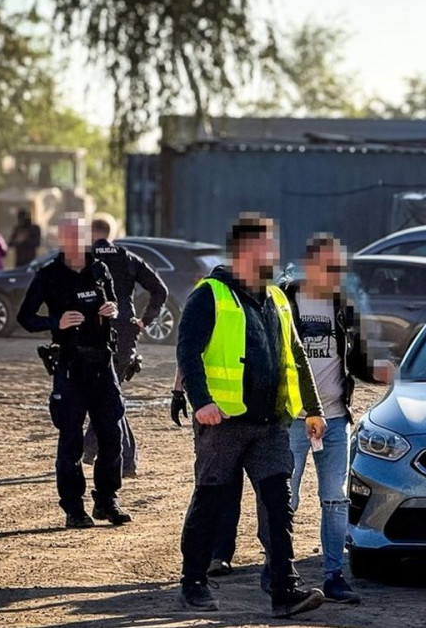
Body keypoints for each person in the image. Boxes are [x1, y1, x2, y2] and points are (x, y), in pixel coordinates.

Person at [199, 233, 373, 604]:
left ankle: (333, 575)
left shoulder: (343, 306)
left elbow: (356, 360)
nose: (336, 274)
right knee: (282, 498)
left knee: (335, 499)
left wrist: (387, 371)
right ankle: (277, 568)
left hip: (334, 420)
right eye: (329, 266)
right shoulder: (282, 299)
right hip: (291, 419)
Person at [173, 214, 327, 618]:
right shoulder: (209, 294)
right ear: (246, 249)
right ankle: (193, 583)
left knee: (278, 504)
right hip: (222, 423)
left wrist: (313, 409)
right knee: (210, 502)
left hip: (270, 424)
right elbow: (188, 351)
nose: (274, 253)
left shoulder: (276, 298)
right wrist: (201, 401)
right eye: (268, 245)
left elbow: (296, 355)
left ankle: (284, 590)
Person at [16, 216, 131, 529]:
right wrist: (56, 322)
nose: (73, 242)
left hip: (103, 363)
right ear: (60, 239)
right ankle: (73, 508)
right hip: (71, 365)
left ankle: (107, 501)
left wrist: (114, 310)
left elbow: (113, 302)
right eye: (67, 236)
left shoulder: (99, 269)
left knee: (111, 433)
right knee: (71, 440)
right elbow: (25, 317)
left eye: (78, 236)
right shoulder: (49, 275)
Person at [81, 218, 168, 477]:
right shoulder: (128, 258)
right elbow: (160, 291)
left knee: (107, 395)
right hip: (125, 333)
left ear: (91, 233)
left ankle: (116, 456)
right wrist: (144, 321)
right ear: (111, 234)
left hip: (94, 333)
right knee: (109, 394)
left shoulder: (84, 259)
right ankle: (101, 451)